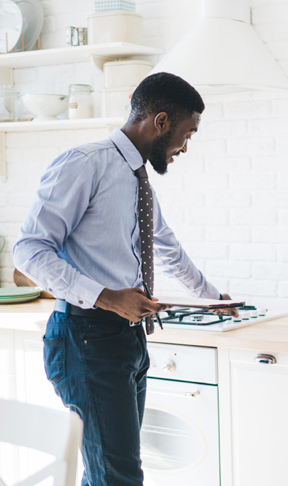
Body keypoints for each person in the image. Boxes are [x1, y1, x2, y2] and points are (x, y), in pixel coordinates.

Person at [13, 72, 235, 485]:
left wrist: (214, 298)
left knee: (108, 473)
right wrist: (108, 298)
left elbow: (167, 247)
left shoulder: (138, 180)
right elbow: (28, 249)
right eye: (187, 134)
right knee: (117, 477)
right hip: (85, 338)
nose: (186, 147)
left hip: (127, 339)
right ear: (161, 122)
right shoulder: (85, 164)